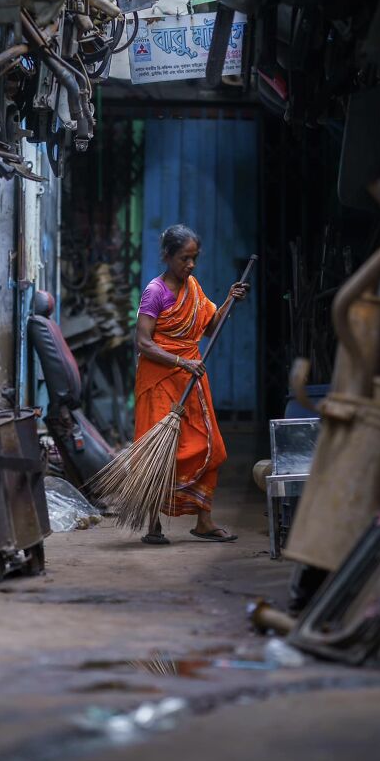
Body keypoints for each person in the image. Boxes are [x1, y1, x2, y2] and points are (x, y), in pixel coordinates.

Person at [135, 224, 250, 546]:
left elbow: (212, 328)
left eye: (194, 258)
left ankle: (204, 521)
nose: (191, 265)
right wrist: (181, 361)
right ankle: (153, 523)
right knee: (158, 453)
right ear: (168, 256)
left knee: (208, 447)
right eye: (185, 258)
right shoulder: (154, 292)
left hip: (192, 380)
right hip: (159, 380)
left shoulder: (195, 289)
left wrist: (229, 300)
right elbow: (143, 343)